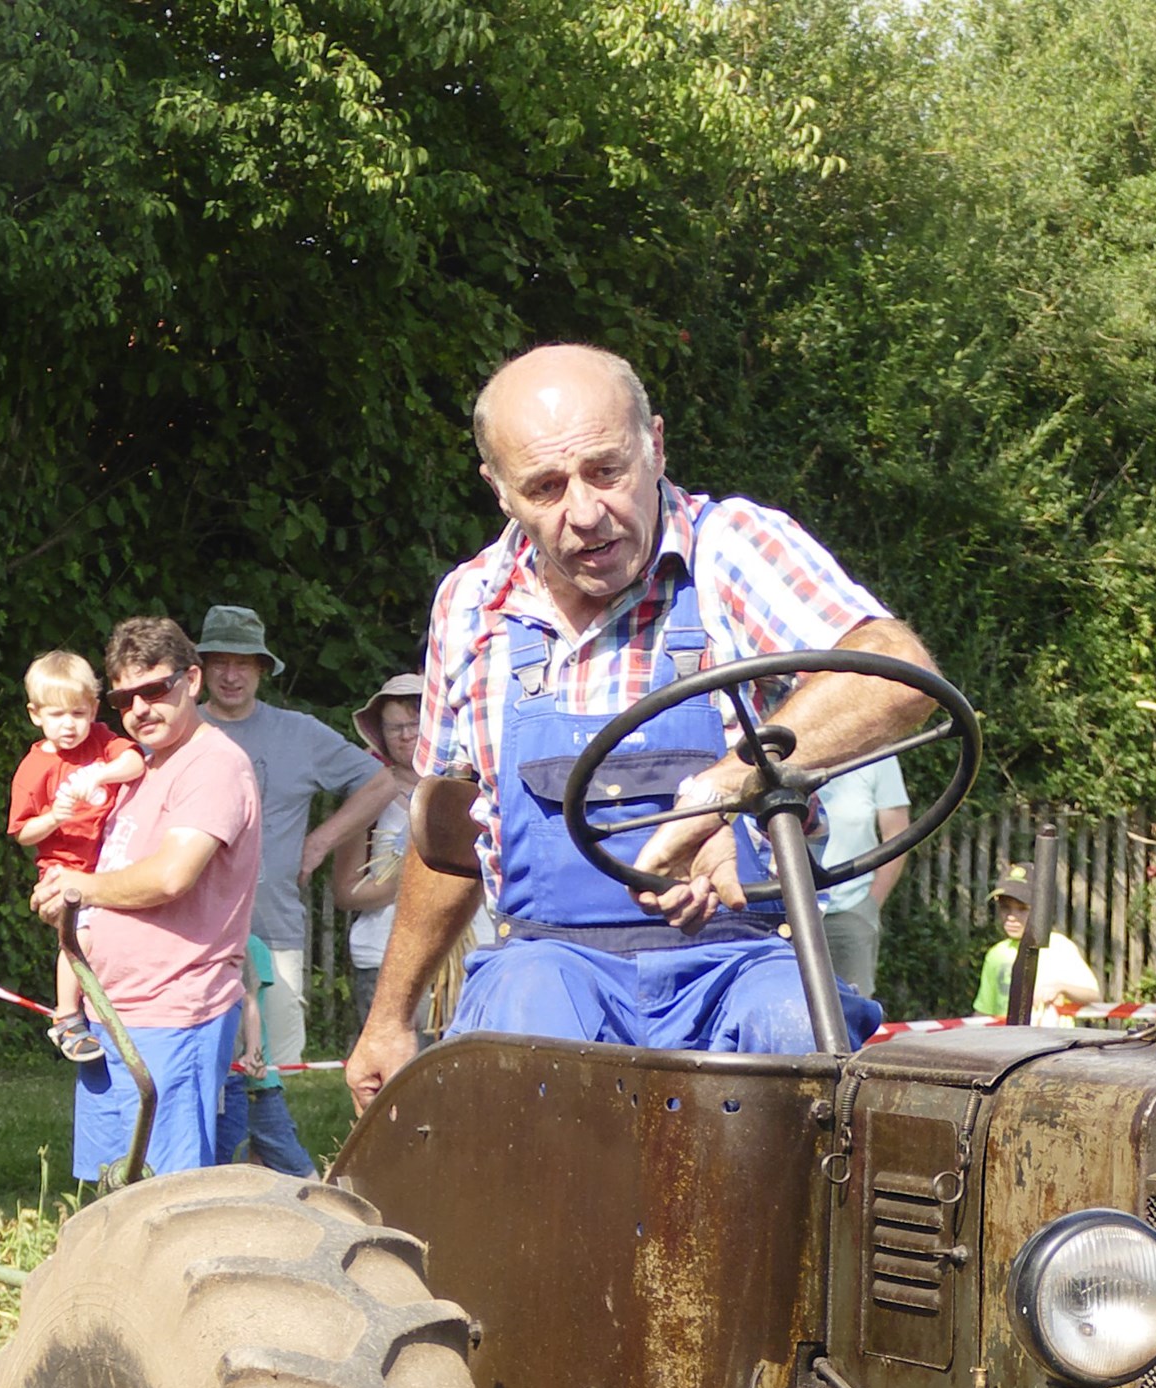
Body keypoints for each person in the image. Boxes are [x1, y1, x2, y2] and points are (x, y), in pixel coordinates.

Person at [344, 343, 942, 1101]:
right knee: (514, 1066)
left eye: (606, 470)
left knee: (802, 1051)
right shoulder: (470, 605)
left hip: (738, 957)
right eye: (546, 487)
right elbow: (452, 831)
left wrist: (725, 792)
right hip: (548, 962)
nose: (585, 513)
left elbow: (893, 670)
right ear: (500, 492)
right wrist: (389, 1018)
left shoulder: (730, 548)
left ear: (654, 444)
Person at [34, 617, 261, 1183]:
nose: (140, 708)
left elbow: (170, 876)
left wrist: (78, 889)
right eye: (124, 698)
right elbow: (100, 869)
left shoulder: (213, 764)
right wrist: (62, 889)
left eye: (155, 690)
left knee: (170, 1197)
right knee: (109, 1193)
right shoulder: (143, 766)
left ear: (192, 680)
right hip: (109, 1014)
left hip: (174, 1012)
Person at [184, 606, 363, 1176]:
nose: (231, 675)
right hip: (191, 934)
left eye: (244, 664)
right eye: (219, 663)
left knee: (270, 1074)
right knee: (198, 1072)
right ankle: (203, 1184)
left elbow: (381, 779)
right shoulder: (178, 730)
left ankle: (270, 1196)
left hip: (275, 927)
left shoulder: (299, 733)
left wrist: (322, 841)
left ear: (263, 670)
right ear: (200, 669)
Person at [4, 649, 143, 1054]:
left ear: (94, 710)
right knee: (79, 937)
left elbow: (135, 762)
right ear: (36, 715)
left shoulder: (102, 742)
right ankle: (67, 1018)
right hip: (62, 868)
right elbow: (22, 832)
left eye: (78, 714)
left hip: (110, 861)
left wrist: (99, 771)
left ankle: (121, 1010)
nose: (69, 725)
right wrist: (53, 817)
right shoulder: (34, 767)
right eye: (57, 715)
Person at [331, 671, 454, 1033]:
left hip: (463, 954)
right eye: (393, 727)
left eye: (414, 724)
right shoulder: (367, 795)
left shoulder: (468, 787)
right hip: (385, 953)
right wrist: (415, 877)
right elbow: (346, 892)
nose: (404, 736)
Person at [811, 754, 911, 1005]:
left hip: (849, 911)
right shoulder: (790, 746)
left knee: (852, 1015)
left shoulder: (879, 756)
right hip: (787, 910)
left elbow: (897, 835)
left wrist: (870, 903)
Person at [969, 866, 1106, 1021]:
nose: (1011, 917)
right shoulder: (996, 954)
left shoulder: (1060, 947)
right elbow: (984, 1011)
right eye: (1005, 908)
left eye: (1022, 909)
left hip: (1053, 1042)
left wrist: (1061, 988)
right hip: (1006, 1041)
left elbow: (1094, 996)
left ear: (1041, 909)